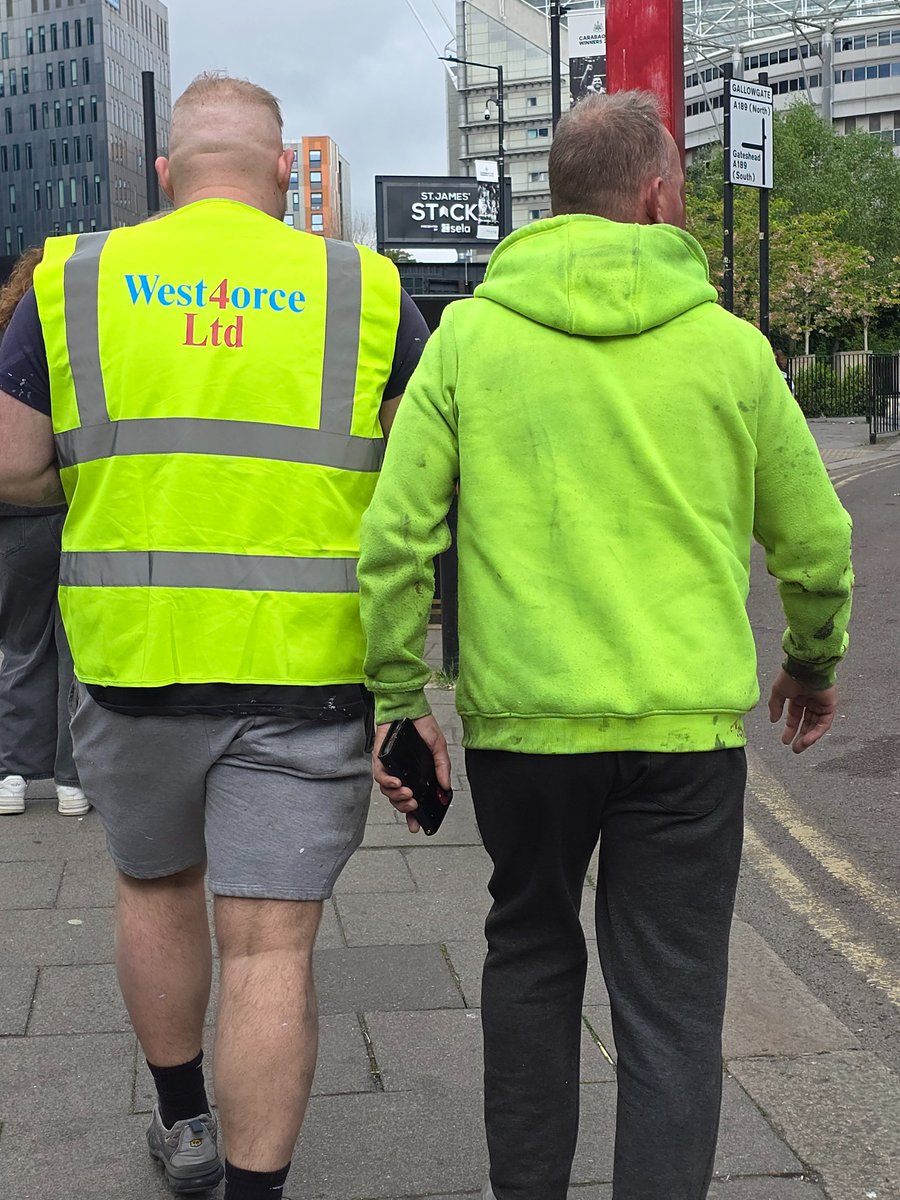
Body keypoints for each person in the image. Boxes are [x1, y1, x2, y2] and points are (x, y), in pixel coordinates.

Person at [358, 91, 853, 1200]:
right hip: (683, 737)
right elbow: (816, 544)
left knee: (529, 952)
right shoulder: (731, 350)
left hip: (526, 728)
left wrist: (403, 697)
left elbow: (394, 539)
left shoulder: (470, 339)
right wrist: (811, 662)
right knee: (674, 1004)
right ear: (659, 197)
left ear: (557, 201)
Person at [0, 72, 428, 1200]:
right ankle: (254, 1190)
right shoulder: (364, 288)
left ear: (164, 176)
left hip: (136, 662)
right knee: (270, 948)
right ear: (284, 178)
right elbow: (425, 478)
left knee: (154, 889)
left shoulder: (74, 279)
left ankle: (186, 1126)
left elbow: (10, 458)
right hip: (308, 671)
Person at [0, 248, 88, 817]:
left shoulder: (10, 344)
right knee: (75, 652)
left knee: (20, 648)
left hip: (16, 520)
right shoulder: (80, 342)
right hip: (80, 511)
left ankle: (11, 775)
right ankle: (70, 780)